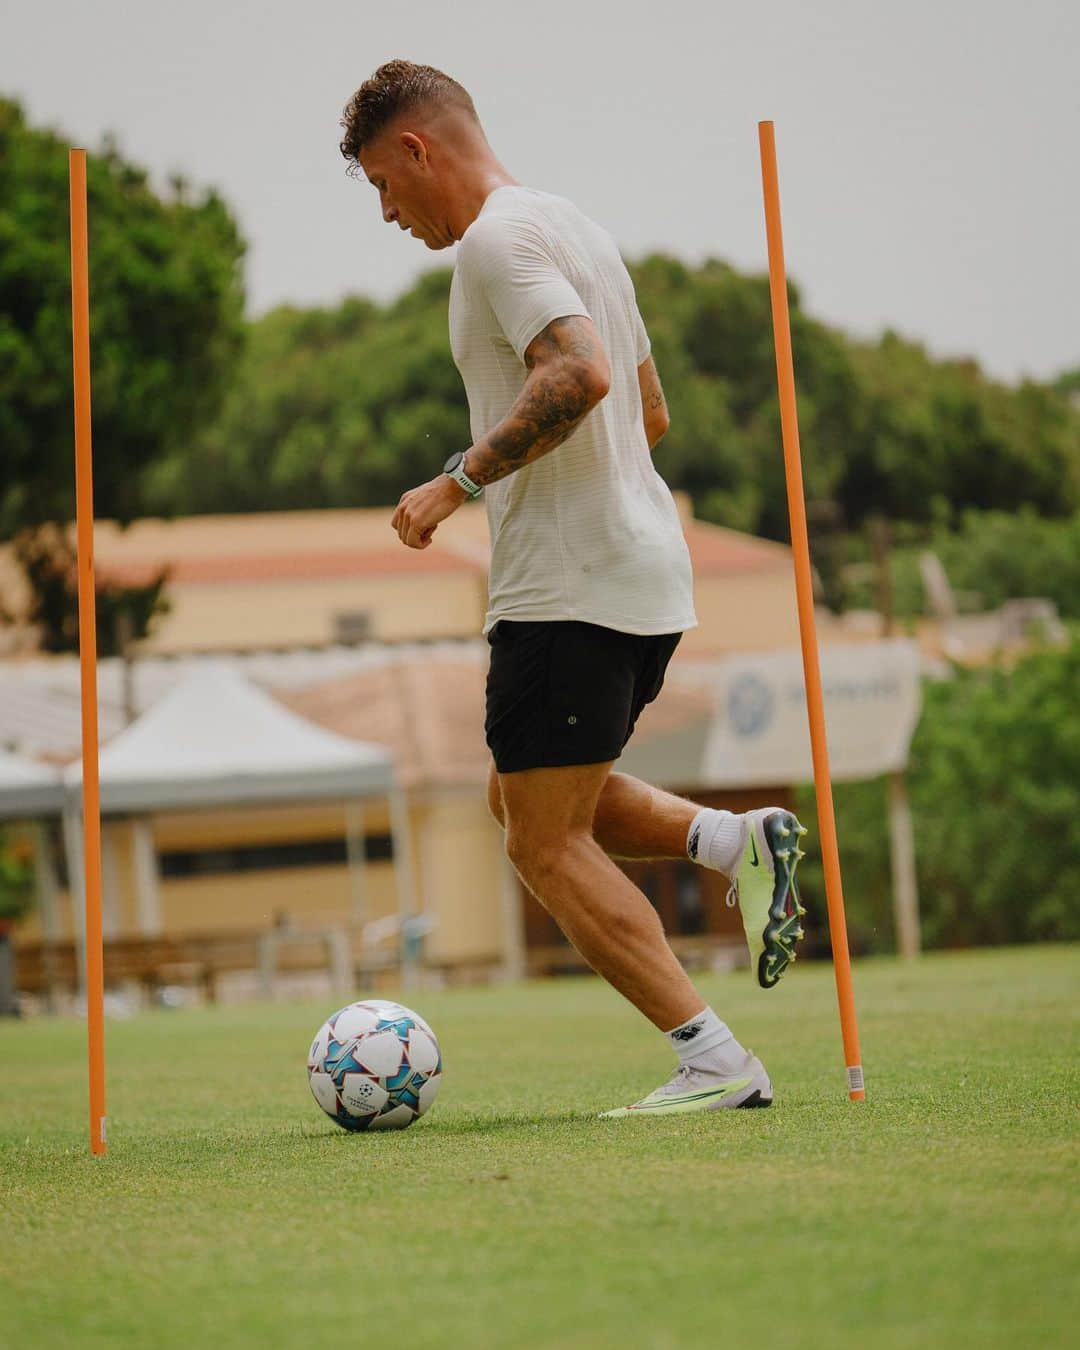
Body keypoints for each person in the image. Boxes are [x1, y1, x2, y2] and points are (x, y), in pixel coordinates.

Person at [339, 61, 807, 1115]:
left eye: (382, 182)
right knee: (525, 797)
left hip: (568, 588)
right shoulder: (576, 228)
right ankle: (731, 841)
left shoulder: (499, 243)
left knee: (542, 840)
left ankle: (716, 1062)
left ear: (419, 149)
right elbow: (651, 414)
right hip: (643, 573)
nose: (386, 211)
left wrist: (455, 484)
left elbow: (582, 376)